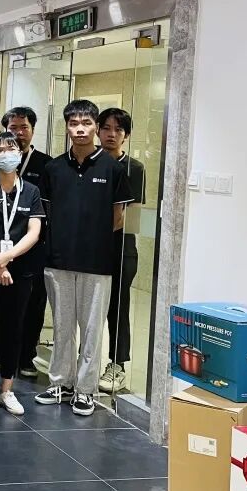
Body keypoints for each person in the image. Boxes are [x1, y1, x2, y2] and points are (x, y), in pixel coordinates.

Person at [35, 100, 133, 417]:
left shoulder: (113, 168)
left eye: (86, 123)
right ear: (66, 126)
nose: (80, 129)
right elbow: (48, 212)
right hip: (58, 260)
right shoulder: (53, 168)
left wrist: (92, 238)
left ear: (95, 127)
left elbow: (118, 217)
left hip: (97, 262)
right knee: (62, 326)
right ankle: (60, 383)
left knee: (92, 329)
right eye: (74, 123)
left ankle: (86, 390)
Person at [0, 132, 44, 416]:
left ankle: (7, 388)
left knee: (13, 329)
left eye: (12, 147)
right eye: (1, 148)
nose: (7, 153)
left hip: (20, 271)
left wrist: (7, 257)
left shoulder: (31, 190)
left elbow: (34, 232)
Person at [96, 108, 147, 394]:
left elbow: (132, 216)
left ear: (126, 135)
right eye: (106, 128)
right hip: (88, 249)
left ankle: (117, 365)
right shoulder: (90, 163)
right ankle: (84, 361)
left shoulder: (134, 168)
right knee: (89, 307)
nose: (111, 134)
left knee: (118, 307)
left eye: (118, 129)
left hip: (121, 248)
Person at [3, 106, 52, 378]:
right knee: (1, 303)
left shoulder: (47, 164)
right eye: (13, 128)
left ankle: (27, 356)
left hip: (34, 247)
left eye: (24, 128)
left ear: (33, 130)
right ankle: (0, 352)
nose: (19, 133)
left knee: (34, 304)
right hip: (0, 248)